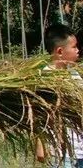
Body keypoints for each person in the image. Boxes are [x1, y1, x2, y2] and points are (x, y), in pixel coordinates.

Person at [36, 24, 82, 167]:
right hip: (64, 154)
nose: (78, 50)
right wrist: (40, 145)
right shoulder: (46, 78)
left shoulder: (73, 73)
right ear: (60, 51)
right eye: (74, 47)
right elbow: (39, 115)